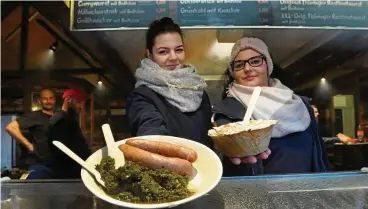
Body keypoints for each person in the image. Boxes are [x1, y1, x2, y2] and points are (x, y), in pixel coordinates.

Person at [211, 37, 330, 176]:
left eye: (255, 61)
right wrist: (230, 151)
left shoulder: (300, 105)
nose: (248, 68)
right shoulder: (225, 111)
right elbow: (224, 157)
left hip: (307, 192)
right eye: (239, 65)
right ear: (233, 73)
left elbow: (319, 156)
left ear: (268, 65)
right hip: (261, 195)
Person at [126, 17, 213, 148]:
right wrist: (153, 144)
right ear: (150, 55)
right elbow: (149, 129)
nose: (173, 57)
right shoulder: (141, 96)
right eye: (163, 52)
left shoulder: (198, 90)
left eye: (178, 50)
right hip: (168, 167)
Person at [5, 88, 56, 179]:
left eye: (51, 98)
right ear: (40, 101)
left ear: (54, 100)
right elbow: (10, 127)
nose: (48, 101)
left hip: (58, 165)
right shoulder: (34, 116)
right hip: (39, 165)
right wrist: (28, 145)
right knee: (32, 192)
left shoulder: (59, 117)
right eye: (45, 99)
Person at [48, 88, 91, 179]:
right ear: (68, 100)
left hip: (75, 167)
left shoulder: (70, 117)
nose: (81, 106)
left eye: (82, 103)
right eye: (78, 102)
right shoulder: (60, 119)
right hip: (67, 171)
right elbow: (60, 149)